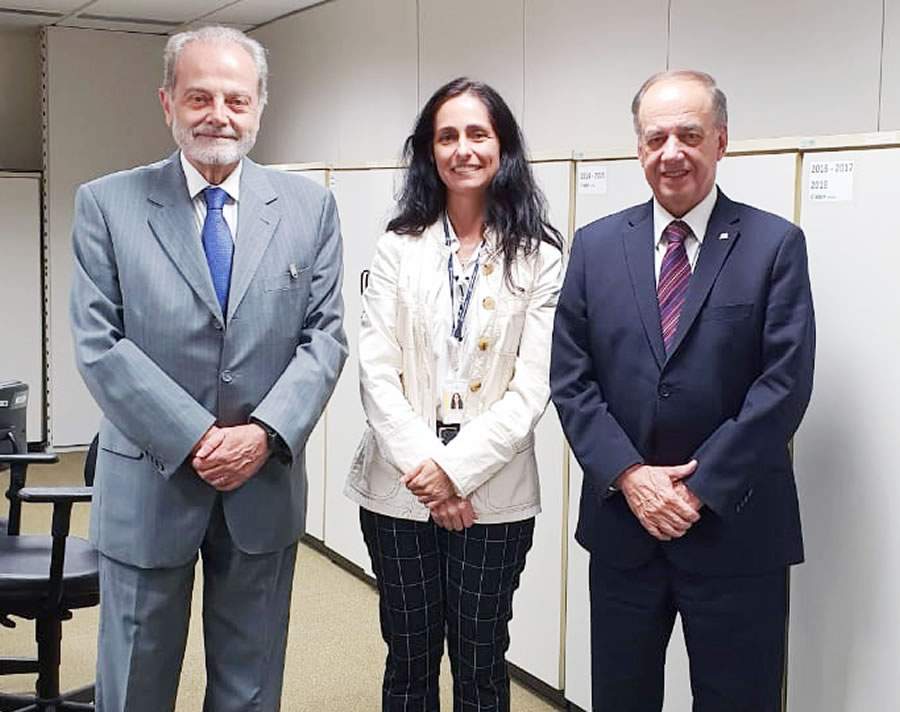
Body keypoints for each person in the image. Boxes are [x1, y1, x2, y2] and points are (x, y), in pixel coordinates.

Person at [69, 26, 346, 712]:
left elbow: (326, 336)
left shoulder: (310, 209)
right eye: (199, 97)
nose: (218, 114)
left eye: (236, 99)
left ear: (259, 108)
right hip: (149, 486)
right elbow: (99, 342)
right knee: (134, 682)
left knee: (250, 687)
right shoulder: (107, 204)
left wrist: (262, 433)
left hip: (263, 483)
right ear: (167, 104)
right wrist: (194, 436)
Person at [551, 70, 815, 711]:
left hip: (736, 529)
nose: (672, 152)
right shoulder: (594, 246)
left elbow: (783, 384)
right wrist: (632, 476)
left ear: (721, 141)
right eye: (656, 137)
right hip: (624, 527)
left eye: (689, 135)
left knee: (739, 699)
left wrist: (697, 489)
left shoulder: (774, 244)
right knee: (620, 696)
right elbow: (571, 378)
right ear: (639, 147)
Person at [345, 77, 563, 711]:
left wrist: (457, 472)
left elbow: (533, 386)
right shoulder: (397, 246)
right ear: (429, 150)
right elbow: (375, 369)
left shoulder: (539, 256)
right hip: (398, 488)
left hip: (493, 493)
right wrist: (430, 473)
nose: (462, 149)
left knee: (481, 661)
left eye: (478, 134)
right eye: (447, 136)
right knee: (408, 660)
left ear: (503, 148)